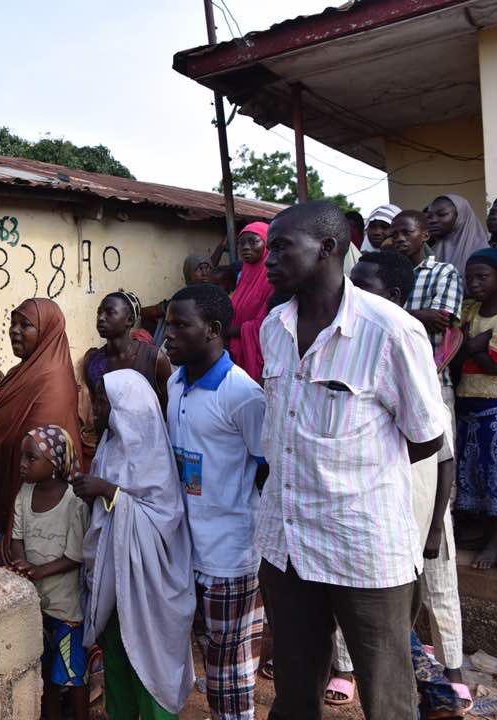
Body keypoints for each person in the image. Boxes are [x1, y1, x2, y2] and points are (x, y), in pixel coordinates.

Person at [258, 201, 444, 720]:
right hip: (288, 544)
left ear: (328, 249)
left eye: (281, 247)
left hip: (363, 546)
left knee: (386, 699)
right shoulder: (274, 326)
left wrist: (351, 475)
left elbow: (426, 437)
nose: (268, 259)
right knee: (295, 696)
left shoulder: (390, 331)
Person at [336, 251, 467, 709]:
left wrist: (433, 526)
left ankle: (441, 680)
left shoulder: (413, 362)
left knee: (414, 603)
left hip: (413, 508)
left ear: (393, 297)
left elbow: (441, 452)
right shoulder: (344, 351)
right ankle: (429, 687)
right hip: (372, 518)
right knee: (384, 616)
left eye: (362, 287)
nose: (348, 295)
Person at [163, 284, 267, 720]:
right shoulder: (175, 382)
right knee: (210, 655)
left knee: (232, 665)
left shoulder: (242, 394)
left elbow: (266, 465)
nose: (167, 335)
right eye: (167, 324)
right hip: (189, 546)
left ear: (213, 330)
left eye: (180, 325)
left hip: (230, 552)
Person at [76, 369, 195, 719]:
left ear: (126, 407)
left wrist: (107, 491)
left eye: (103, 401)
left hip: (148, 589)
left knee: (149, 661)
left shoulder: (152, 453)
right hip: (115, 583)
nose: (94, 409)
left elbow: (164, 518)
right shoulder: (109, 446)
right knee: (118, 657)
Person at [0, 298, 82, 564]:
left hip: (34, 503)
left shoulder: (52, 380)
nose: (14, 330)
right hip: (13, 493)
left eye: (25, 325)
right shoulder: (22, 372)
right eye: (12, 324)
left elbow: (35, 446)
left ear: (47, 330)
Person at [9, 425, 89, 720]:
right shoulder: (24, 493)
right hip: (37, 605)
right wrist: (20, 564)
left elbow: (75, 556)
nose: (22, 464)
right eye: (22, 457)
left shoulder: (74, 502)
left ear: (54, 464)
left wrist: (38, 571)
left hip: (67, 610)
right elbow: (17, 538)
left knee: (71, 675)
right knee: (44, 674)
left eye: (31, 459)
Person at [454, 247, 497, 571]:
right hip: (467, 403)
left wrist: (469, 348)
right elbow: (454, 352)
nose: (474, 283)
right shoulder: (469, 310)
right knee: (473, 472)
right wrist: (475, 347)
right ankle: (484, 530)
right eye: (469, 277)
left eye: (482, 277)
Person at [390, 210, 464, 388]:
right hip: (393, 379)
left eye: (407, 232)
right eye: (394, 235)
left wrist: (391, 315)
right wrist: (422, 316)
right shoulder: (388, 276)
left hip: (433, 378)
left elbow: (440, 320)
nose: (399, 238)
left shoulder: (444, 272)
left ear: (425, 235)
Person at [228, 222, 272, 383]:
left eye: (253, 242)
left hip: (261, 357)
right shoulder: (244, 276)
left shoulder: (273, 279)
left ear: (267, 243)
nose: (245, 247)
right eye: (241, 243)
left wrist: (232, 331)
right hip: (237, 353)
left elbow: (269, 323)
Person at [427, 194, 489, 276]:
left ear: (460, 216)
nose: (433, 220)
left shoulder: (484, 254)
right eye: (429, 216)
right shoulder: (429, 254)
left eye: (442, 214)